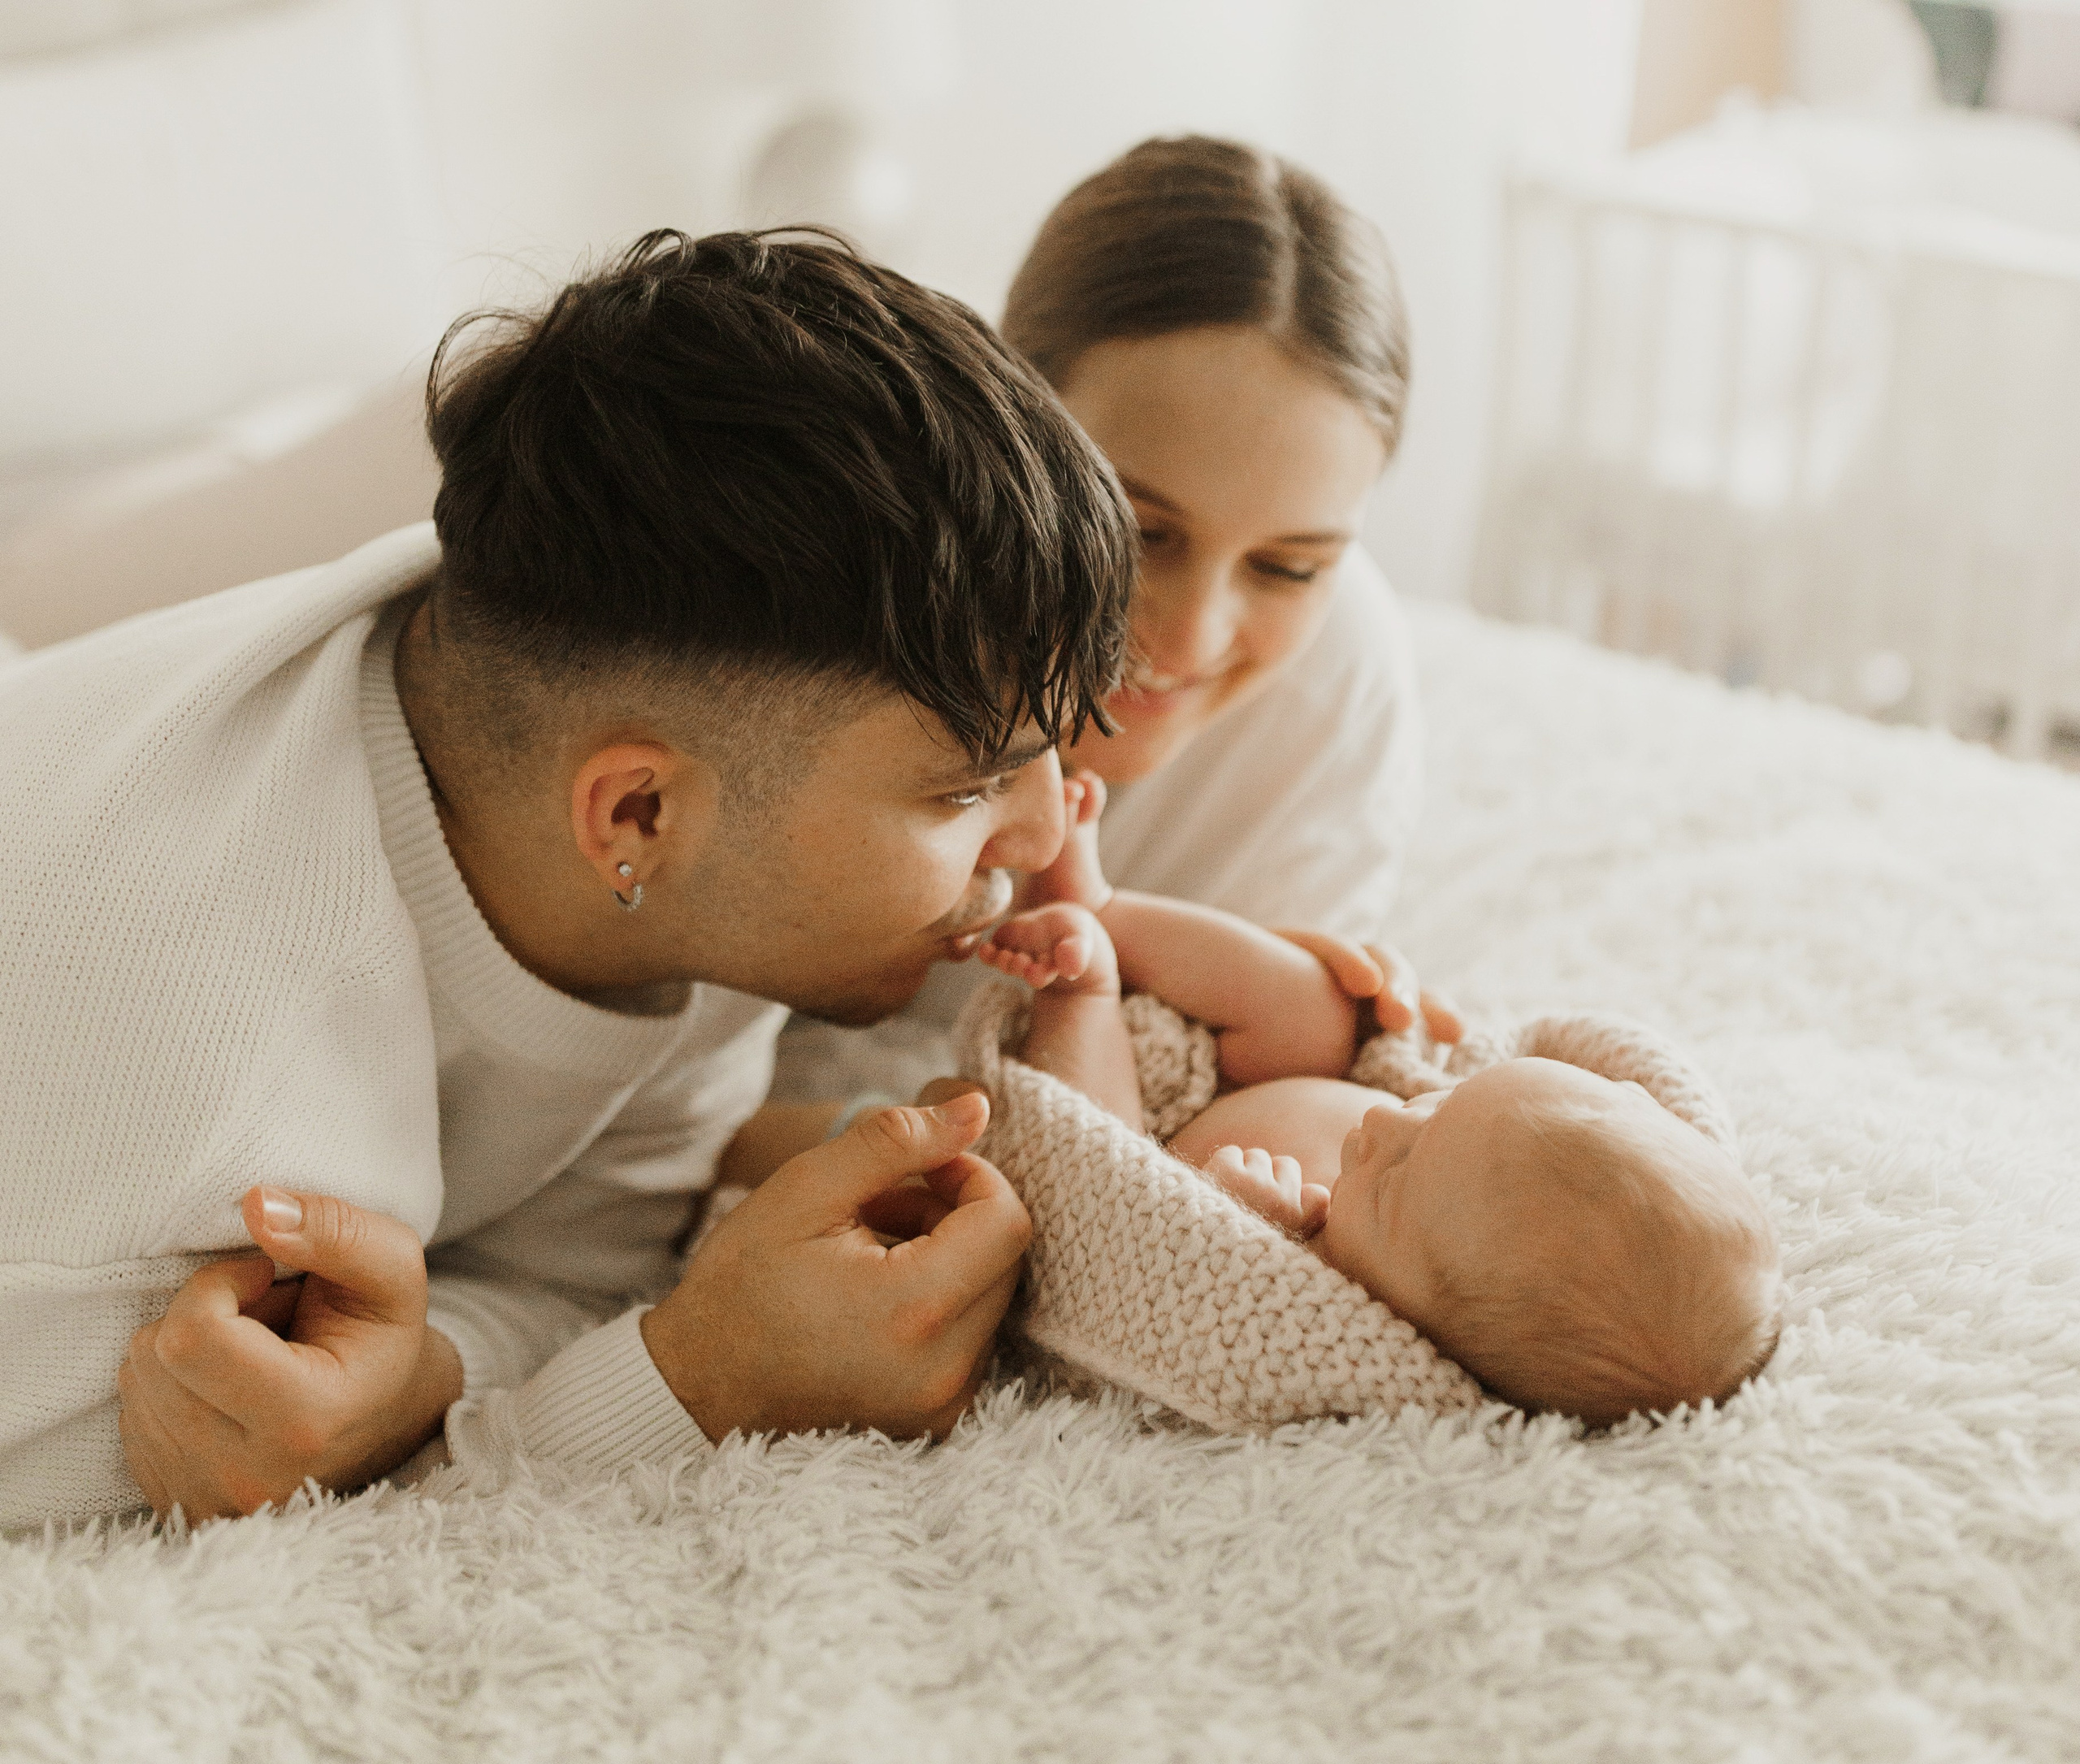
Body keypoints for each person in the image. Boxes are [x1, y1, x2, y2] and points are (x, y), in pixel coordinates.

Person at [0, 228, 1138, 1527]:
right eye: (966, 788)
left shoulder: (648, 817)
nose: (1048, 834)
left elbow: (573, 1262)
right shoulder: (165, 1148)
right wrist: (702, 1378)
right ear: (635, 813)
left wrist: (437, 1372)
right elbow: (194, 1484)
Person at [766, 134, 1459, 1134]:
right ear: (999, 412)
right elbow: (664, 1118)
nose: (1190, 638)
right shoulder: (825, 606)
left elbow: (1195, 1116)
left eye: (1287, 566)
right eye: (1140, 532)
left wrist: (1306, 1017)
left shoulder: (1338, 672)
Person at [975, 777, 1783, 1428]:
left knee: (1102, 1136)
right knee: (1317, 1006)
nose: (1387, 1119)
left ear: (1429, 1327)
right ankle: (1104, 907)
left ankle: (1080, 984)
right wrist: (1392, 1046)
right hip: (1230, 1059)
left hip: (1139, 1126)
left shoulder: (1324, 1307)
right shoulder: (1469, 1173)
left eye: (1396, 1180)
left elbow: (1165, 1275)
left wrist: (1253, 1213)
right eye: (1443, 1106)